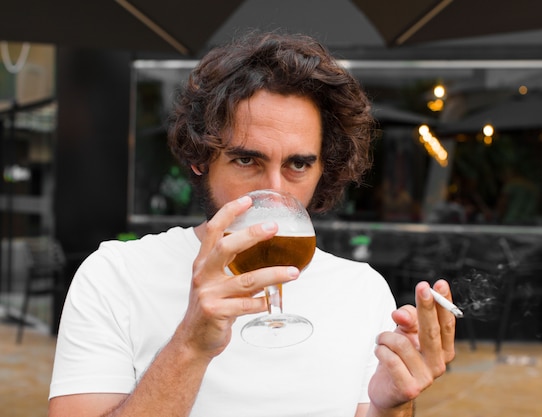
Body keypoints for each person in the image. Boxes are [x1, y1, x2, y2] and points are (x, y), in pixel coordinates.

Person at [48, 31, 456, 417]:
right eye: (247, 160)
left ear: (322, 172)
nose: (273, 192)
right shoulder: (116, 276)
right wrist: (190, 346)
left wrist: (391, 406)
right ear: (200, 158)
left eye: (297, 164)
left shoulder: (362, 290)